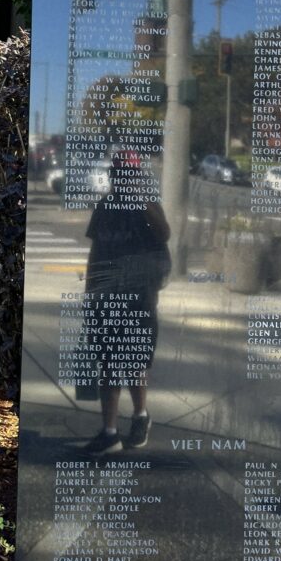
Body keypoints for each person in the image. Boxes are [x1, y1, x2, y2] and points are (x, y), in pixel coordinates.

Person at [81, 150, 170, 455]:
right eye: (119, 174)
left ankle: (140, 416)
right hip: (106, 297)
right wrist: (90, 291)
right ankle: (109, 433)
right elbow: (96, 252)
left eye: (129, 174)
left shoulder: (147, 207)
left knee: (134, 364)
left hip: (139, 299)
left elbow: (163, 235)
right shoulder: (105, 207)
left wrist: (141, 200)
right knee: (107, 364)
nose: (123, 180)